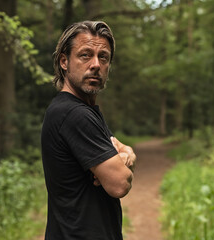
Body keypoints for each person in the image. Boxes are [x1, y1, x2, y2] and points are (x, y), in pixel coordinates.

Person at [41, 21, 136, 240]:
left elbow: (124, 148)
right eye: (85, 55)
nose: (95, 64)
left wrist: (126, 154)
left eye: (103, 57)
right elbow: (120, 184)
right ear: (64, 61)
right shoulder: (74, 114)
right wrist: (123, 162)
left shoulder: (86, 111)